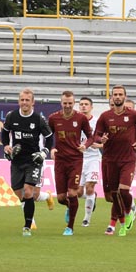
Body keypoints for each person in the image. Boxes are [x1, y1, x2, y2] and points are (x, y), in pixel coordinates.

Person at [94, 85, 136, 236]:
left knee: (124, 190)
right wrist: (101, 139)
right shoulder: (105, 116)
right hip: (110, 159)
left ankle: (128, 212)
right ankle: (121, 223)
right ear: (112, 97)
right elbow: (96, 135)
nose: (118, 97)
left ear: (125, 97)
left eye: (120, 94)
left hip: (128, 159)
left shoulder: (133, 114)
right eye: (115, 94)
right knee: (114, 195)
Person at [1, 88, 53, 237]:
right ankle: (46, 197)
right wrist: (6, 145)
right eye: (22, 100)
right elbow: (5, 132)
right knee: (19, 194)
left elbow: (49, 137)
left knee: (29, 191)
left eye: (27, 100)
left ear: (32, 102)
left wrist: (44, 152)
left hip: (33, 160)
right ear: (19, 101)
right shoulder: (12, 116)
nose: (24, 103)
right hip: (17, 160)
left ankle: (27, 226)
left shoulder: (38, 119)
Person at [48, 91, 93, 235]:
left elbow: (91, 137)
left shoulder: (81, 118)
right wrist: (52, 148)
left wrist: (85, 145)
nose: (67, 106)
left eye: (70, 103)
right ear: (61, 103)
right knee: (61, 198)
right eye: (65, 103)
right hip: (60, 161)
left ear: (74, 103)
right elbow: (48, 137)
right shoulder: (53, 118)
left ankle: (70, 227)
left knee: (72, 192)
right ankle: (70, 207)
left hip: (75, 160)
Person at [78, 96, 101, 227]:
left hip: (93, 159)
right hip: (78, 159)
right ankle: (92, 197)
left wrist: (98, 145)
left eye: (86, 104)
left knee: (89, 187)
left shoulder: (97, 122)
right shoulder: (75, 121)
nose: (83, 106)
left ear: (91, 107)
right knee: (78, 192)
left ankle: (87, 218)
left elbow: (106, 141)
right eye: (81, 104)